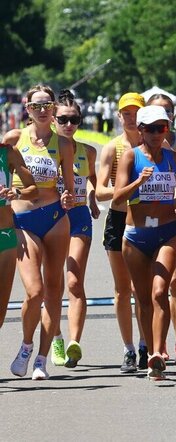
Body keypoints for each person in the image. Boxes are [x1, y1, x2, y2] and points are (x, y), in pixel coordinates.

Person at [2, 84, 75, 380]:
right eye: (36, 106)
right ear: (27, 109)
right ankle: (26, 345)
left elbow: (69, 186)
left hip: (56, 217)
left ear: (54, 108)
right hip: (23, 220)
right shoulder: (14, 139)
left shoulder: (64, 144)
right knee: (34, 291)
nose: (42, 111)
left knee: (54, 290)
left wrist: (69, 197)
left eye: (47, 105)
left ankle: (42, 359)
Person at [112, 105, 176, 381]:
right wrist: (138, 182)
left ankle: (159, 351)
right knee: (143, 299)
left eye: (163, 128)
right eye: (151, 129)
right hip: (135, 235)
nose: (157, 134)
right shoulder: (131, 158)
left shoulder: (174, 159)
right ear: (141, 131)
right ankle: (148, 353)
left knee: (160, 292)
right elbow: (117, 199)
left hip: (167, 233)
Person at [96, 92, 147, 373]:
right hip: (118, 219)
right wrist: (126, 190)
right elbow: (102, 190)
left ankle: (144, 344)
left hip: (147, 220)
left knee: (145, 290)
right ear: (119, 116)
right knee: (122, 289)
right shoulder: (112, 148)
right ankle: (128, 347)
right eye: (126, 113)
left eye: (136, 112)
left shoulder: (152, 144)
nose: (132, 117)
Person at [51, 90, 100, 368]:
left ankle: (73, 342)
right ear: (54, 120)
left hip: (79, 214)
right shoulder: (45, 149)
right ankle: (55, 337)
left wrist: (92, 196)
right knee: (53, 284)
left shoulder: (88, 151)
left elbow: (92, 178)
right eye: (64, 119)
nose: (69, 125)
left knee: (74, 281)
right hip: (50, 216)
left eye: (75, 120)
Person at [146, 93, 176, 362]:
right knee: (157, 285)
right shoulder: (141, 145)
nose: (160, 121)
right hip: (150, 218)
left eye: (166, 114)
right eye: (155, 114)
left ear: (172, 118)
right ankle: (159, 343)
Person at [0, 143, 37, 351]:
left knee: (1, 312)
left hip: (5, 236)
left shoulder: (8, 153)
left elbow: (33, 189)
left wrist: (16, 192)